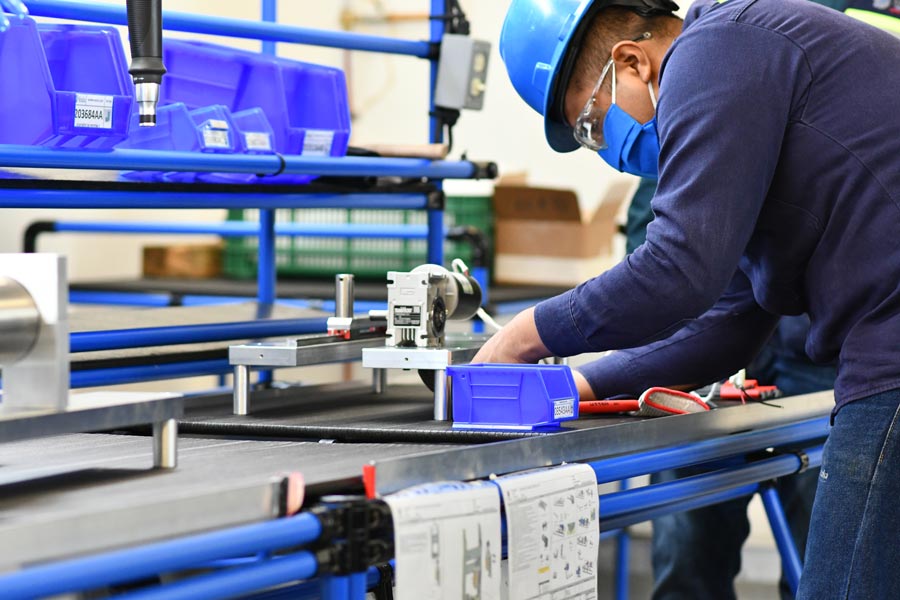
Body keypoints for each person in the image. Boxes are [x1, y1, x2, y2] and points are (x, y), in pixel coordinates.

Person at [481, 0, 900, 598]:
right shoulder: (739, 100)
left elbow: (678, 269)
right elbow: (726, 323)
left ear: (631, 62)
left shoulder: (717, 50)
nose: (604, 150)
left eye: (590, 127)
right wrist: (584, 386)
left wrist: (523, 334)